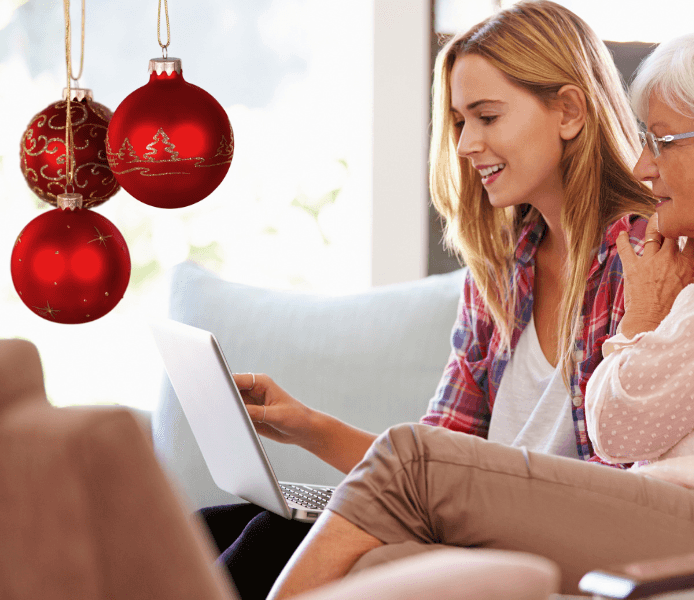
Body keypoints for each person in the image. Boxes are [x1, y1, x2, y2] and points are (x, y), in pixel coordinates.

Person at [267, 22, 694, 600]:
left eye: (666, 141)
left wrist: (640, 318)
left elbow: (621, 425)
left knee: (409, 461)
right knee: (391, 564)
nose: (644, 166)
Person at [200, 2, 656, 598]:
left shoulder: (646, 256)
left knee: (267, 543)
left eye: (487, 117)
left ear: (569, 110)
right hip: (470, 523)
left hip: (556, 537)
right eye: (460, 121)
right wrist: (307, 426)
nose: (466, 144)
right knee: (219, 526)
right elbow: (430, 462)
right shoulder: (500, 272)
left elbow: (631, 477)